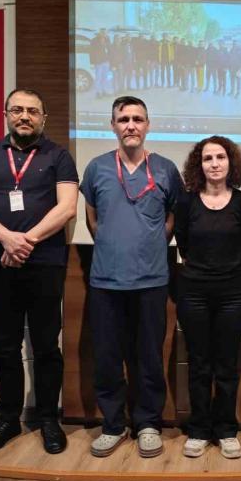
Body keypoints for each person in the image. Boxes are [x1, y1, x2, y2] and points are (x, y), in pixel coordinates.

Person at [0, 88, 79, 455]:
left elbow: (67, 208)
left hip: (45, 263)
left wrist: (24, 242)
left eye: (33, 110)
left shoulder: (59, 156)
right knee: (3, 344)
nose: (25, 116)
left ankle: (48, 419)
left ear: (43, 117)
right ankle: (8, 419)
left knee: (46, 345)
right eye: (17, 110)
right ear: (6, 115)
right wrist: (5, 238)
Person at [80, 96, 182, 458]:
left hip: (151, 281)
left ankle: (148, 423)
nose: (131, 125)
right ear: (113, 126)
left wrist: (149, 245)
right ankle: (113, 424)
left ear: (148, 125)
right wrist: (114, 245)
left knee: (149, 356)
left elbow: (172, 220)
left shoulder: (166, 169)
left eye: (138, 118)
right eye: (123, 119)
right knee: (107, 356)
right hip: (106, 281)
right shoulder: (97, 168)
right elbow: (93, 220)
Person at [174, 136, 241, 460]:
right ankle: (198, 429)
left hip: (232, 294)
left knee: (226, 364)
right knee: (199, 363)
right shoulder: (186, 202)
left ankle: (226, 429)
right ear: (199, 165)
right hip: (193, 293)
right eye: (207, 158)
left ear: (230, 162)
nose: (214, 163)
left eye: (220, 157)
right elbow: (183, 242)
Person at [89, 28, 111, 98]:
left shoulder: (107, 39)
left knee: (105, 77)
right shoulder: (94, 40)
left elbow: (110, 49)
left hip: (106, 61)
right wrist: (92, 62)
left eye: (105, 33)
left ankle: (104, 91)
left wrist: (110, 60)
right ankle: (98, 93)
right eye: (102, 32)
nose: (104, 34)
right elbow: (91, 52)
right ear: (100, 33)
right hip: (98, 62)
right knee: (98, 78)